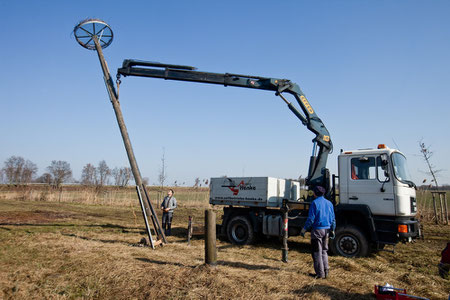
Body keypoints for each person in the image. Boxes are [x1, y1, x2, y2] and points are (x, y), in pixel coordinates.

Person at [300, 185, 336, 279]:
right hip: (327, 230)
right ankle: (326, 271)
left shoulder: (314, 203)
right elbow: (333, 219)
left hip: (317, 231)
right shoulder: (329, 203)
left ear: (315, 193)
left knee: (317, 252)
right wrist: (332, 229)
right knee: (324, 251)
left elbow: (311, 219)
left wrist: (304, 229)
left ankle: (320, 274)